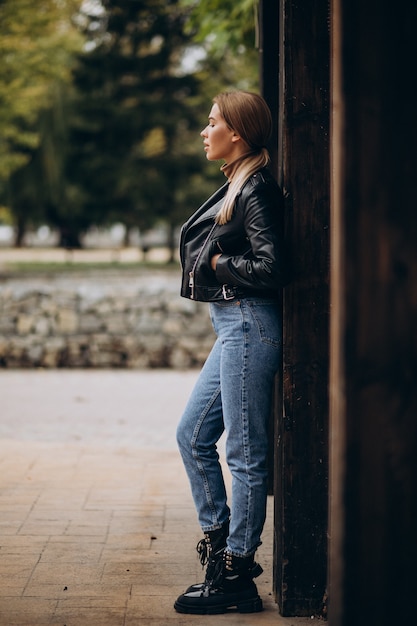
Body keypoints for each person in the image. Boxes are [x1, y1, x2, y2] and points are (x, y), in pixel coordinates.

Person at [174, 90, 285, 615]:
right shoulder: (238, 185)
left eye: (212, 121)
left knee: (244, 452)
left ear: (236, 133)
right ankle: (220, 550)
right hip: (232, 326)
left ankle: (238, 570)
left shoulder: (256, 188)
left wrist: (219, 265)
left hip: (248, 322)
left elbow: (272, 267)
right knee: (192, 436)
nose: (204, 129)